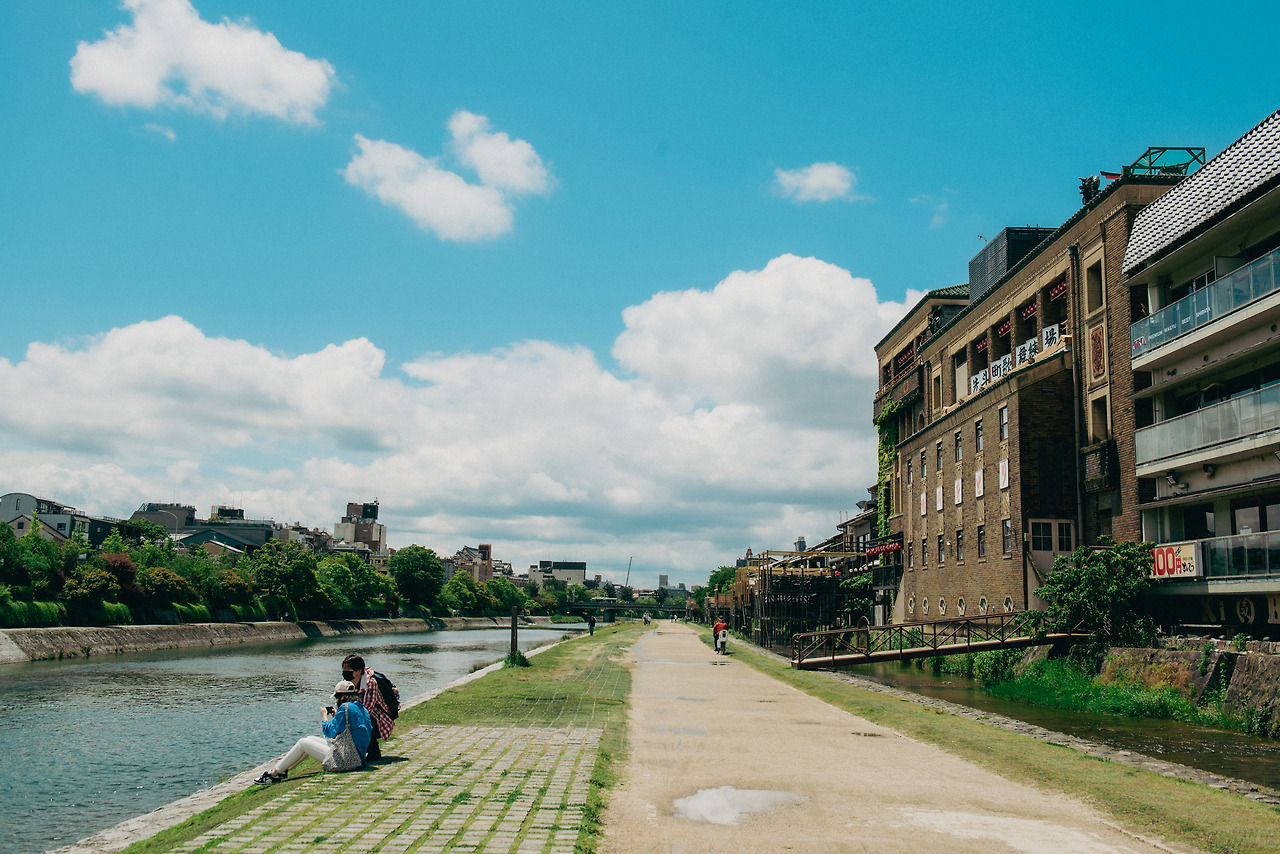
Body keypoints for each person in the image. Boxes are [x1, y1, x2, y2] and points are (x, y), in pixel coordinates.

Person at [254, 680, 372, 784]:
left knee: (303, 743)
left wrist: (324, 716)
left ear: (340, 696)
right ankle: (283, 770)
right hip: (358, 757)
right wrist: (337, 717)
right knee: (309, 739)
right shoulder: (361, 708)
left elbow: (329, 732)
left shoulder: (344, 708)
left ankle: (273, 774)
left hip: (347, 760)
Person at [343, 653, 397, 760]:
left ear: (358, 671)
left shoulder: (371, 683)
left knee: (364, 719)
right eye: (344, 669)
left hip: (378, 718)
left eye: (348, 670)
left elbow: (367, 708)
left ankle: (374, 751)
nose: (345, 673)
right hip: (359, 714)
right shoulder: (345, 683)